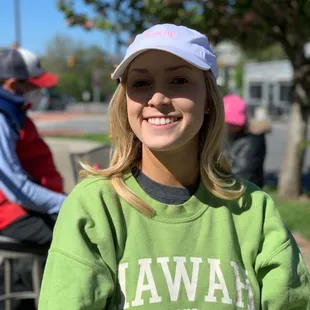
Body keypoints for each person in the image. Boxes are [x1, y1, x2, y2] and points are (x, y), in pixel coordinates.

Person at [39, 24, 310, 310]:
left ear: (208, 99)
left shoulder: (254, 210)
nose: (157, 98)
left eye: (179, 80)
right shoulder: (93, 208)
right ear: (125, 103)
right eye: (141, 84)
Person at [0, 47, 67, 309]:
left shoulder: (13, 110)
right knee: (72, 233)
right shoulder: (2, 117)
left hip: (19, 209)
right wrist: (66, 204)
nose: (39, 92)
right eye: (33, 85)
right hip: (8, 213)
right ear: (13, 84)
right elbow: (16, 187)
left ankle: (23, 294)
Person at [223, 94, 268, 188]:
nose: (229, 126)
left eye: (232, 123)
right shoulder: (227, 136)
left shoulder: (252, 141)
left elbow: (242, 175)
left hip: (244, 192)